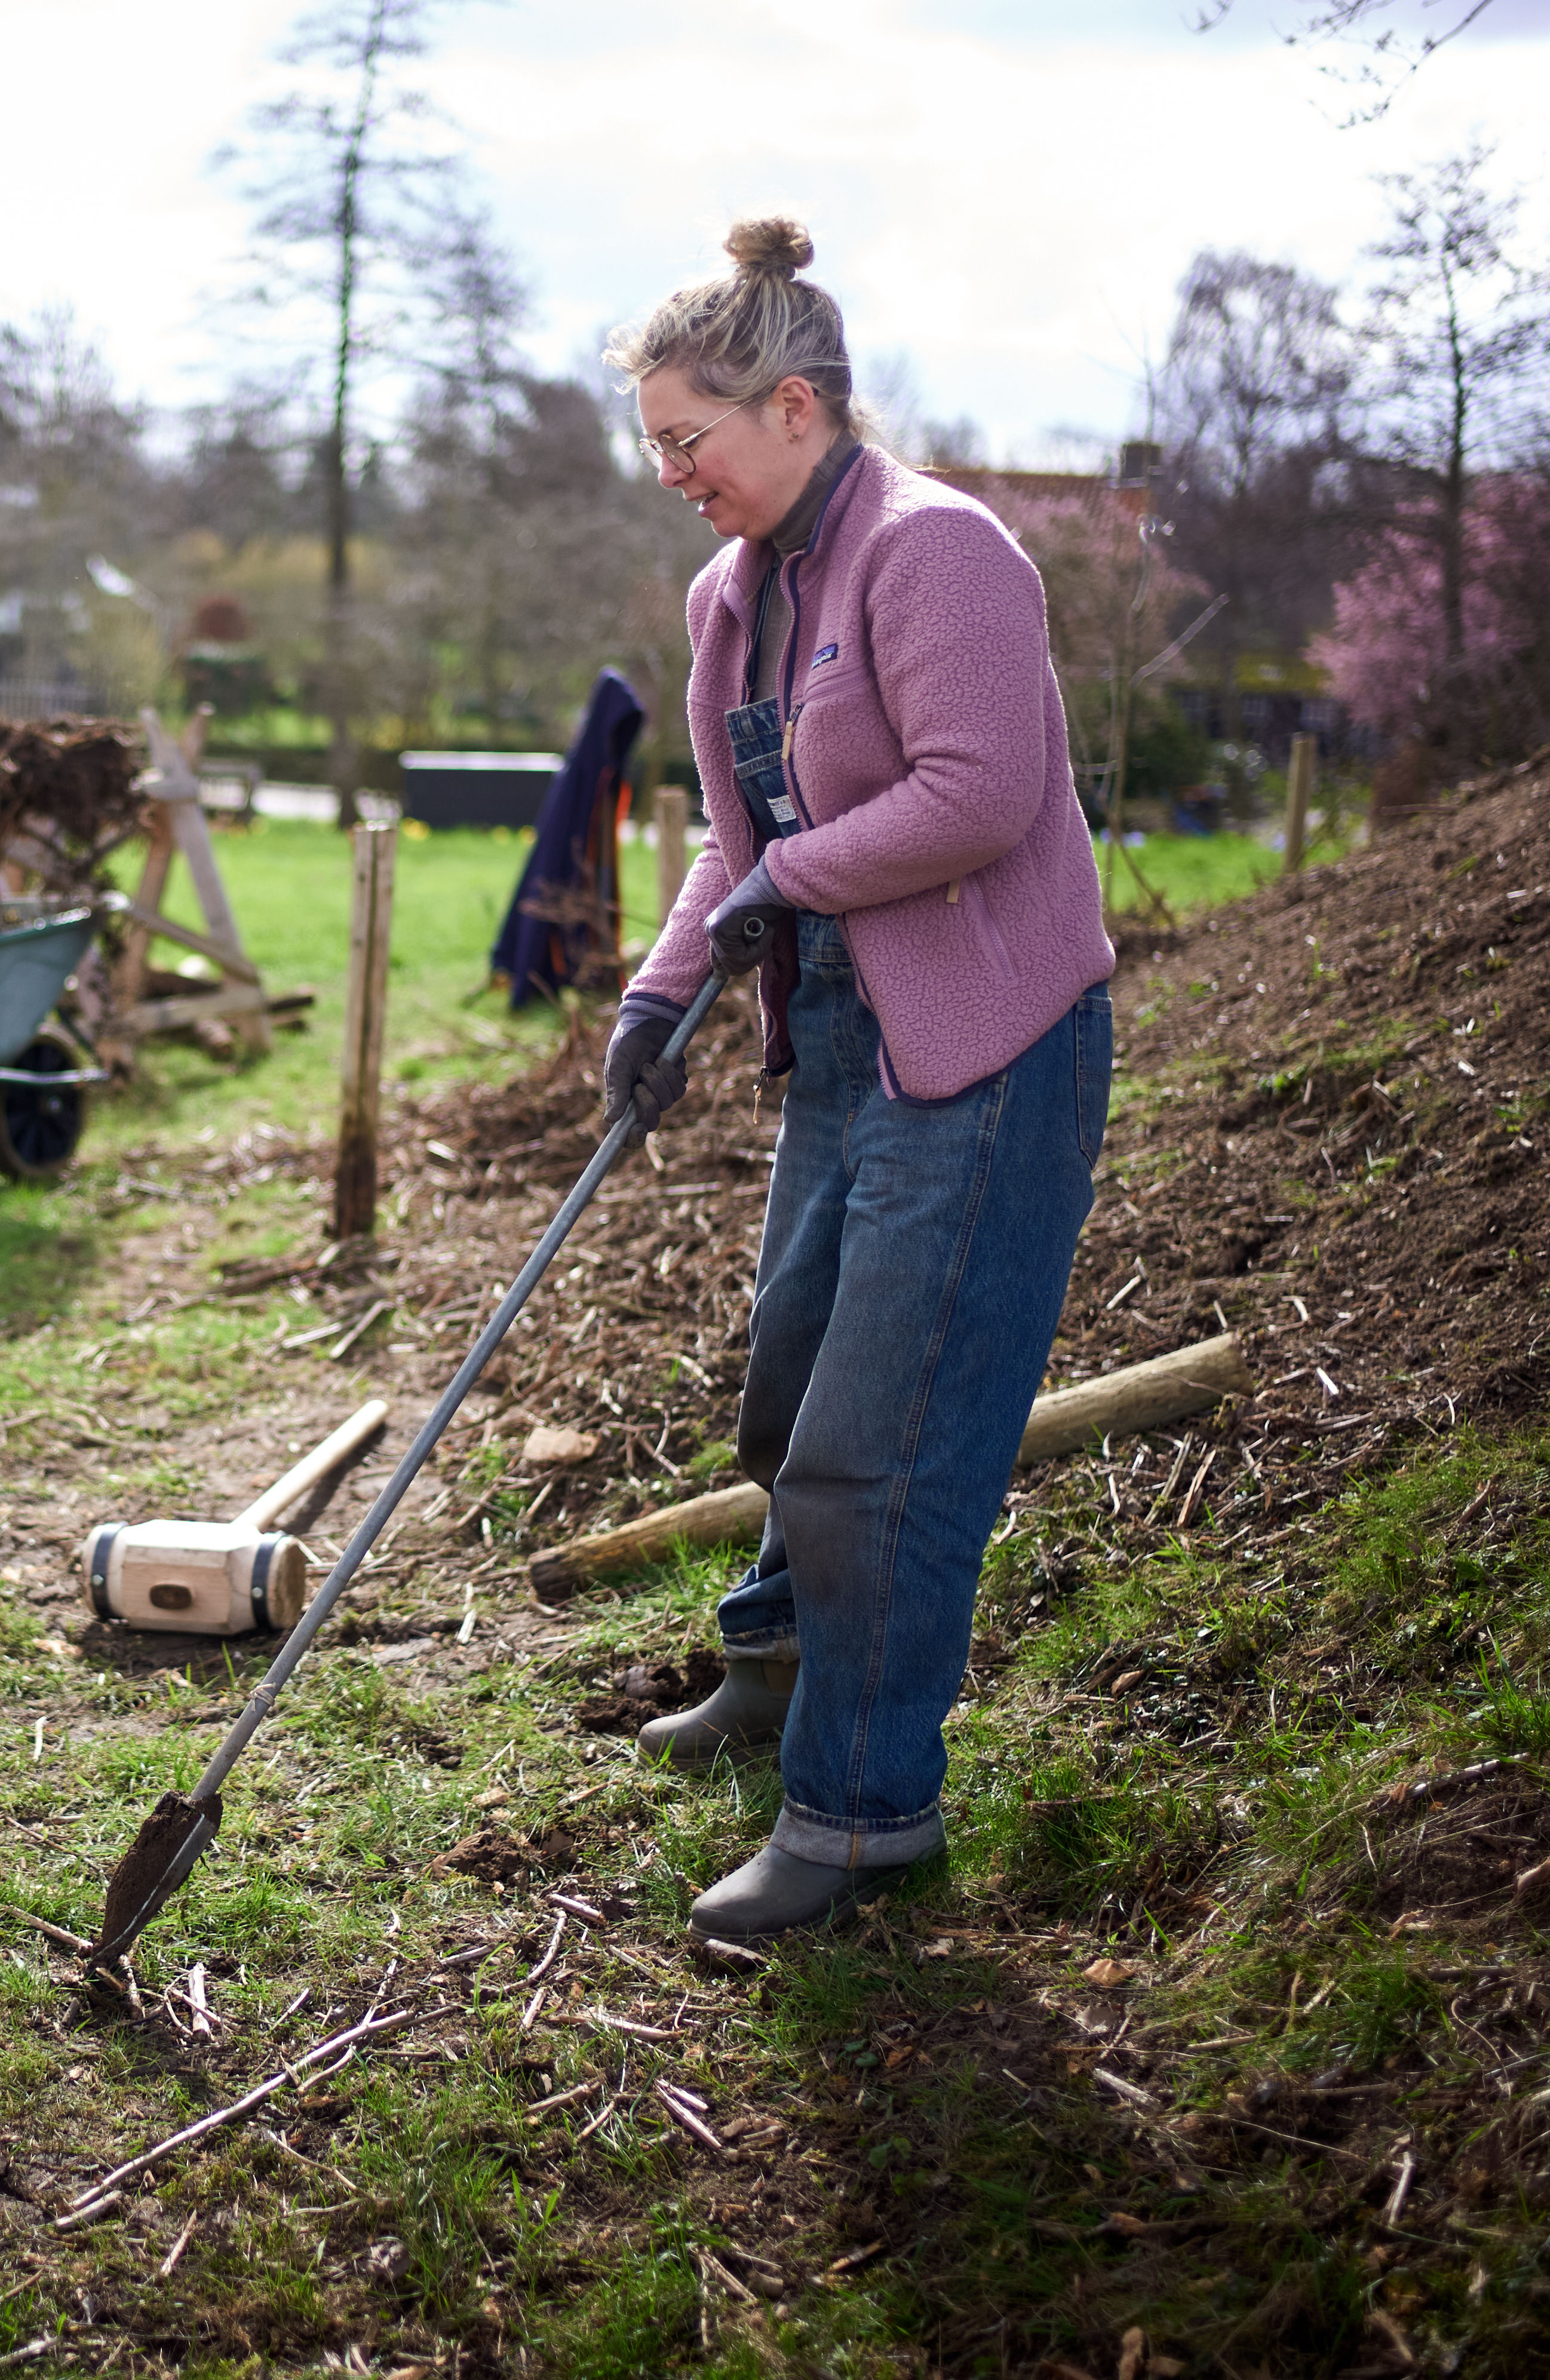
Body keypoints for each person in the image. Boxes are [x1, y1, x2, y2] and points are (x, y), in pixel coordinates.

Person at [597, 217, 1116, 1942]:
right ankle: (780, 1668)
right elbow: (738, 840)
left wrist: (776, 891)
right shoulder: (731, 594)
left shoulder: (940, 551)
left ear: (799, 408)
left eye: (691, 438)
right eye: (655, 443)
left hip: (978, 1048)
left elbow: (980, 794)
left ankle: (862, 1813)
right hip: (837, 1042)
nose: (671, 471)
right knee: (789, 1399)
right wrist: (662, 992)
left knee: (884, 1449)